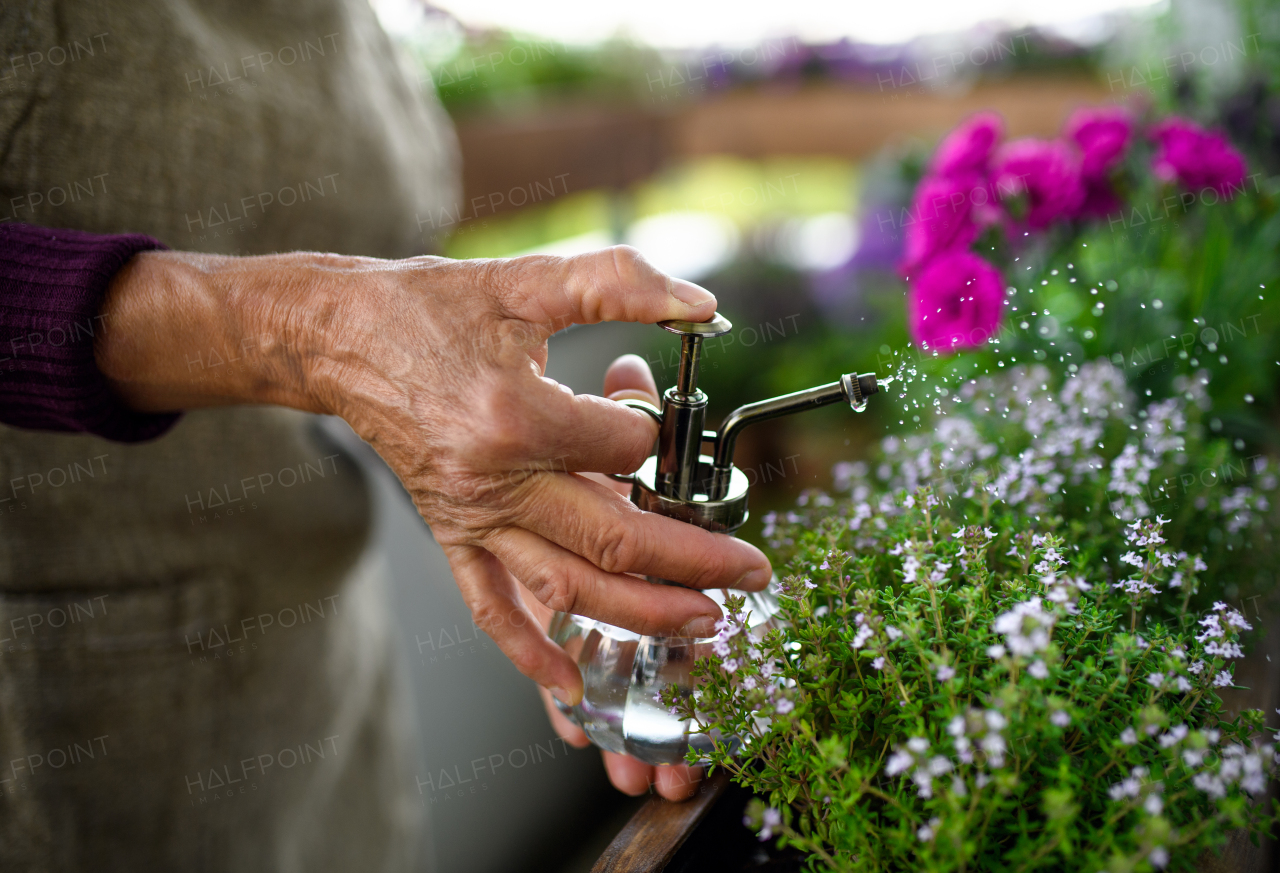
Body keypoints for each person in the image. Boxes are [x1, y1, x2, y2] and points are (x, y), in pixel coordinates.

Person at [0, 2, 770, 870]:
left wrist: (503, 460)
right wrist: (312, 335)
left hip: (316, 637)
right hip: (68, 691)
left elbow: (382, 244)